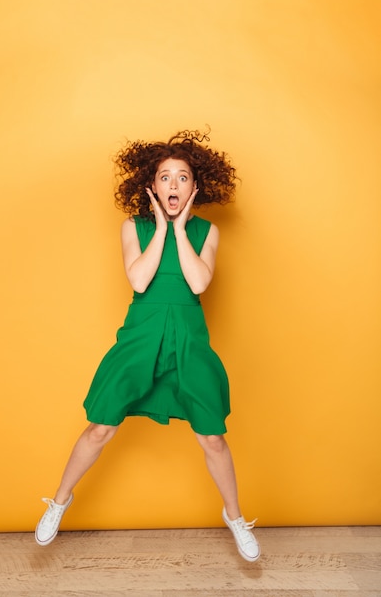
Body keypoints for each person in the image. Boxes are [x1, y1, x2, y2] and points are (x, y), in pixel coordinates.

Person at [35, 129, 260, 562]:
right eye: (165, 177)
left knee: (213, 438)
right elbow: (139, 280)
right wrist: (161, 227)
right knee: (101, 427)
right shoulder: (133, 227)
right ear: (152, 186)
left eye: (182, 178)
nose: (173, 185)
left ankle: (234, 517)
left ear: (196, 187)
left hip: (189, 342)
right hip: (140, 338)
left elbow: (197, 281)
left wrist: (179, 230)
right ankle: (60, 501)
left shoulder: (207, 232)